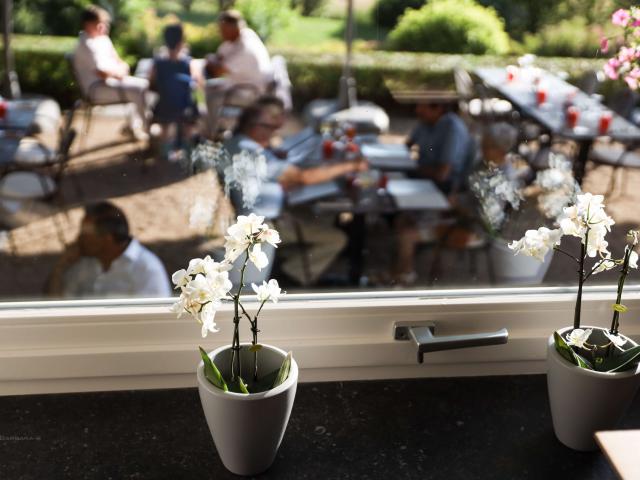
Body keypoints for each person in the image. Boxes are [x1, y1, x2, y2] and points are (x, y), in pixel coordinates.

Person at [221, 98, 368, 284]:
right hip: (264, 224)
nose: (274, 134)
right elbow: (303, 177)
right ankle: (292, 276)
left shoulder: (235, 143)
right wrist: (351, 165)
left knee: (317, 217)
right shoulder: (250, 151)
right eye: (271, 128)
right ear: (255, 127)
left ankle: (285, 265)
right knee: (336, 238)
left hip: (255, 215)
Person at [47, 202, 171, 298]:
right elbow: (58, 303)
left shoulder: (146, 269)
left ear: (107, 239)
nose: (78, 240)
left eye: (85, 235)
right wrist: (61, 267)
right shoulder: (83, 264)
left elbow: (154, 322)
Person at [73, 5, 150, 137]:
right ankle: (147, 129)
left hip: (111, 83)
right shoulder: (85, 44)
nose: (104, 26)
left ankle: (135, 125)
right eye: (99, 23)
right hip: (97, 89)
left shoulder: (102, 40)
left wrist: (119, 70)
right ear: (88, 24)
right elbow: (102, 72)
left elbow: (120, 62)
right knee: (140, 89)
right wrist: (118, 72)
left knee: (147, 86)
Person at [204, 10, 274, 136]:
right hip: (243, 84)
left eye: (222, 29)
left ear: (232, 28)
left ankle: (212, 135)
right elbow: (221, 56)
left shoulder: (246, 48)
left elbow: (218, 70)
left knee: (212, 97)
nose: (220, 33)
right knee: (210, 86)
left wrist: (210, 60)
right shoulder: (244, 34)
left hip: (251, 92)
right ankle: (217, 129)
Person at [149, 23, 199, 159]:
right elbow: (195, 83)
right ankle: (189, 151)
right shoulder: (188, 62)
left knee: (164, 125)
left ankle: (165, 151)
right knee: (189, 122)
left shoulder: (158, 63)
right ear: (182, 41)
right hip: (185, 107)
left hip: (164, 106)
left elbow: (151, 82)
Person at [406, 101, 475, 195]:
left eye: (422, 106)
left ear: (438, 108)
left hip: (443, 186)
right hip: (423, 175)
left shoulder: (452, 129)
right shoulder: (425, 121)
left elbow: (442, 174)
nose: (417, 110)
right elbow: (407, 145)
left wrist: (414, 167)